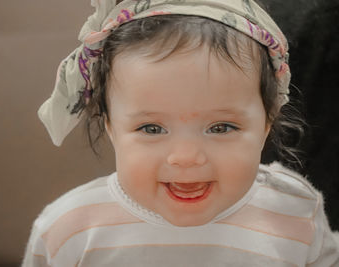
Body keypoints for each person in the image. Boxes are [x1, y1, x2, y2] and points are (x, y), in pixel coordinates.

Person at [22, 0, 339, 266]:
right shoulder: (70, 229)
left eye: (221, 127)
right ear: (111, 128)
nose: (186, 158)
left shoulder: (297, 214)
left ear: (266, 124)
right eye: (152, 128)